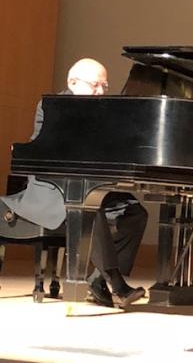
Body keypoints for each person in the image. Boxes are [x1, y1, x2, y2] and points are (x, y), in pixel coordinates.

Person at [1, 58, 148, 308]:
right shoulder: (52, 106)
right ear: (72, 82)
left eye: (105, 85)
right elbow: (49, 152)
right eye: (94, 85)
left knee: (135, 213)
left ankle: (98, 280)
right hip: (51, 188)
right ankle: (117, 284)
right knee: (89, 205)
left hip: (84, 182)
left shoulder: (104, 112)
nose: (101, 92)